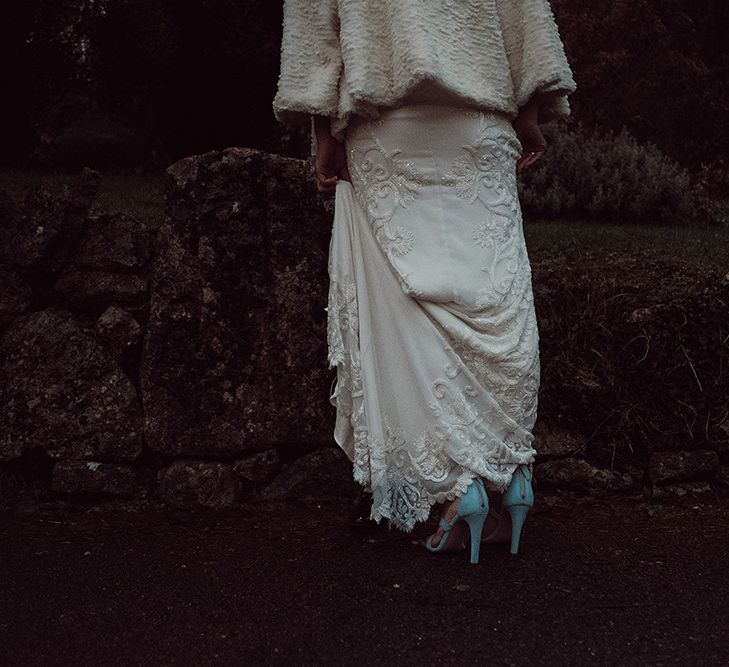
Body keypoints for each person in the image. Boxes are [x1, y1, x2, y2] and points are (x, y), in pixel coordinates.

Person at [273, 0, 576, 564]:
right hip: (479, 126)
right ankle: (508, 478)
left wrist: (323, 134)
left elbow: (316, 33)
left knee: (409, 315)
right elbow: (529, 17)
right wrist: (530, 112)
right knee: (491, 292)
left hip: (390, 129)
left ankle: (456, 491)